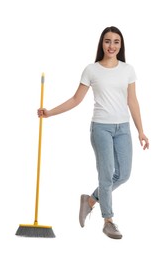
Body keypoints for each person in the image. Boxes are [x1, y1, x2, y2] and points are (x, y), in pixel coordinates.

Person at [37, 26, 149, 239]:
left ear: (121, 45)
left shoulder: (128, 69)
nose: (112, 46)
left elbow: (132, 101)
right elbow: (75, 99)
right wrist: (49, 113)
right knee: (106, 175)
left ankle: (89, 201)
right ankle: (108, 221)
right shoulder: (91, 69)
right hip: (101, 128)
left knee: (123, 175)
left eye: (116, 41)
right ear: (101, 44)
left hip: (123, 128)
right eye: (108, 41)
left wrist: (140, 131)